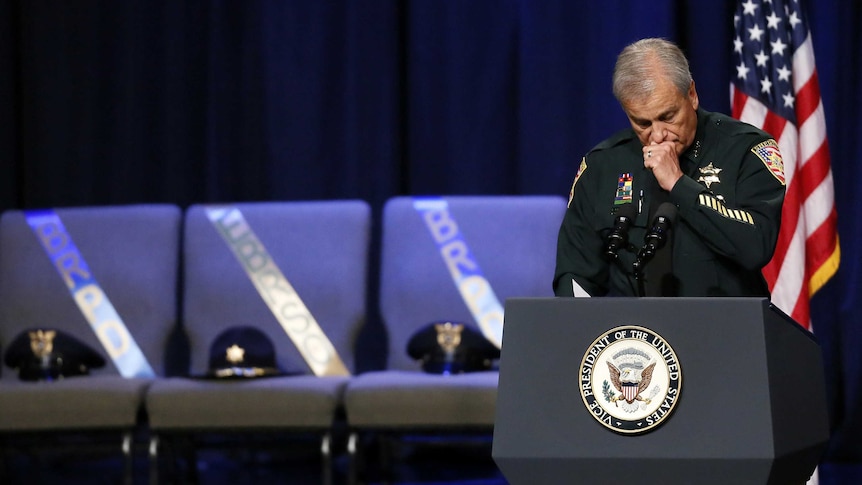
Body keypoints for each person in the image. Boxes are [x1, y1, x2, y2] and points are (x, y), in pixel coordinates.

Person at [554, 38, 786, 297]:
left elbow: (756, 246)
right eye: (642, 123)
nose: (658, 135)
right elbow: (575, 273)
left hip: (724, 329)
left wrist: (679, 184)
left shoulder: (745, 149)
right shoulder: (602, 165)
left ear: (692, 94)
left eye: (668, 117)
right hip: (634, 334)